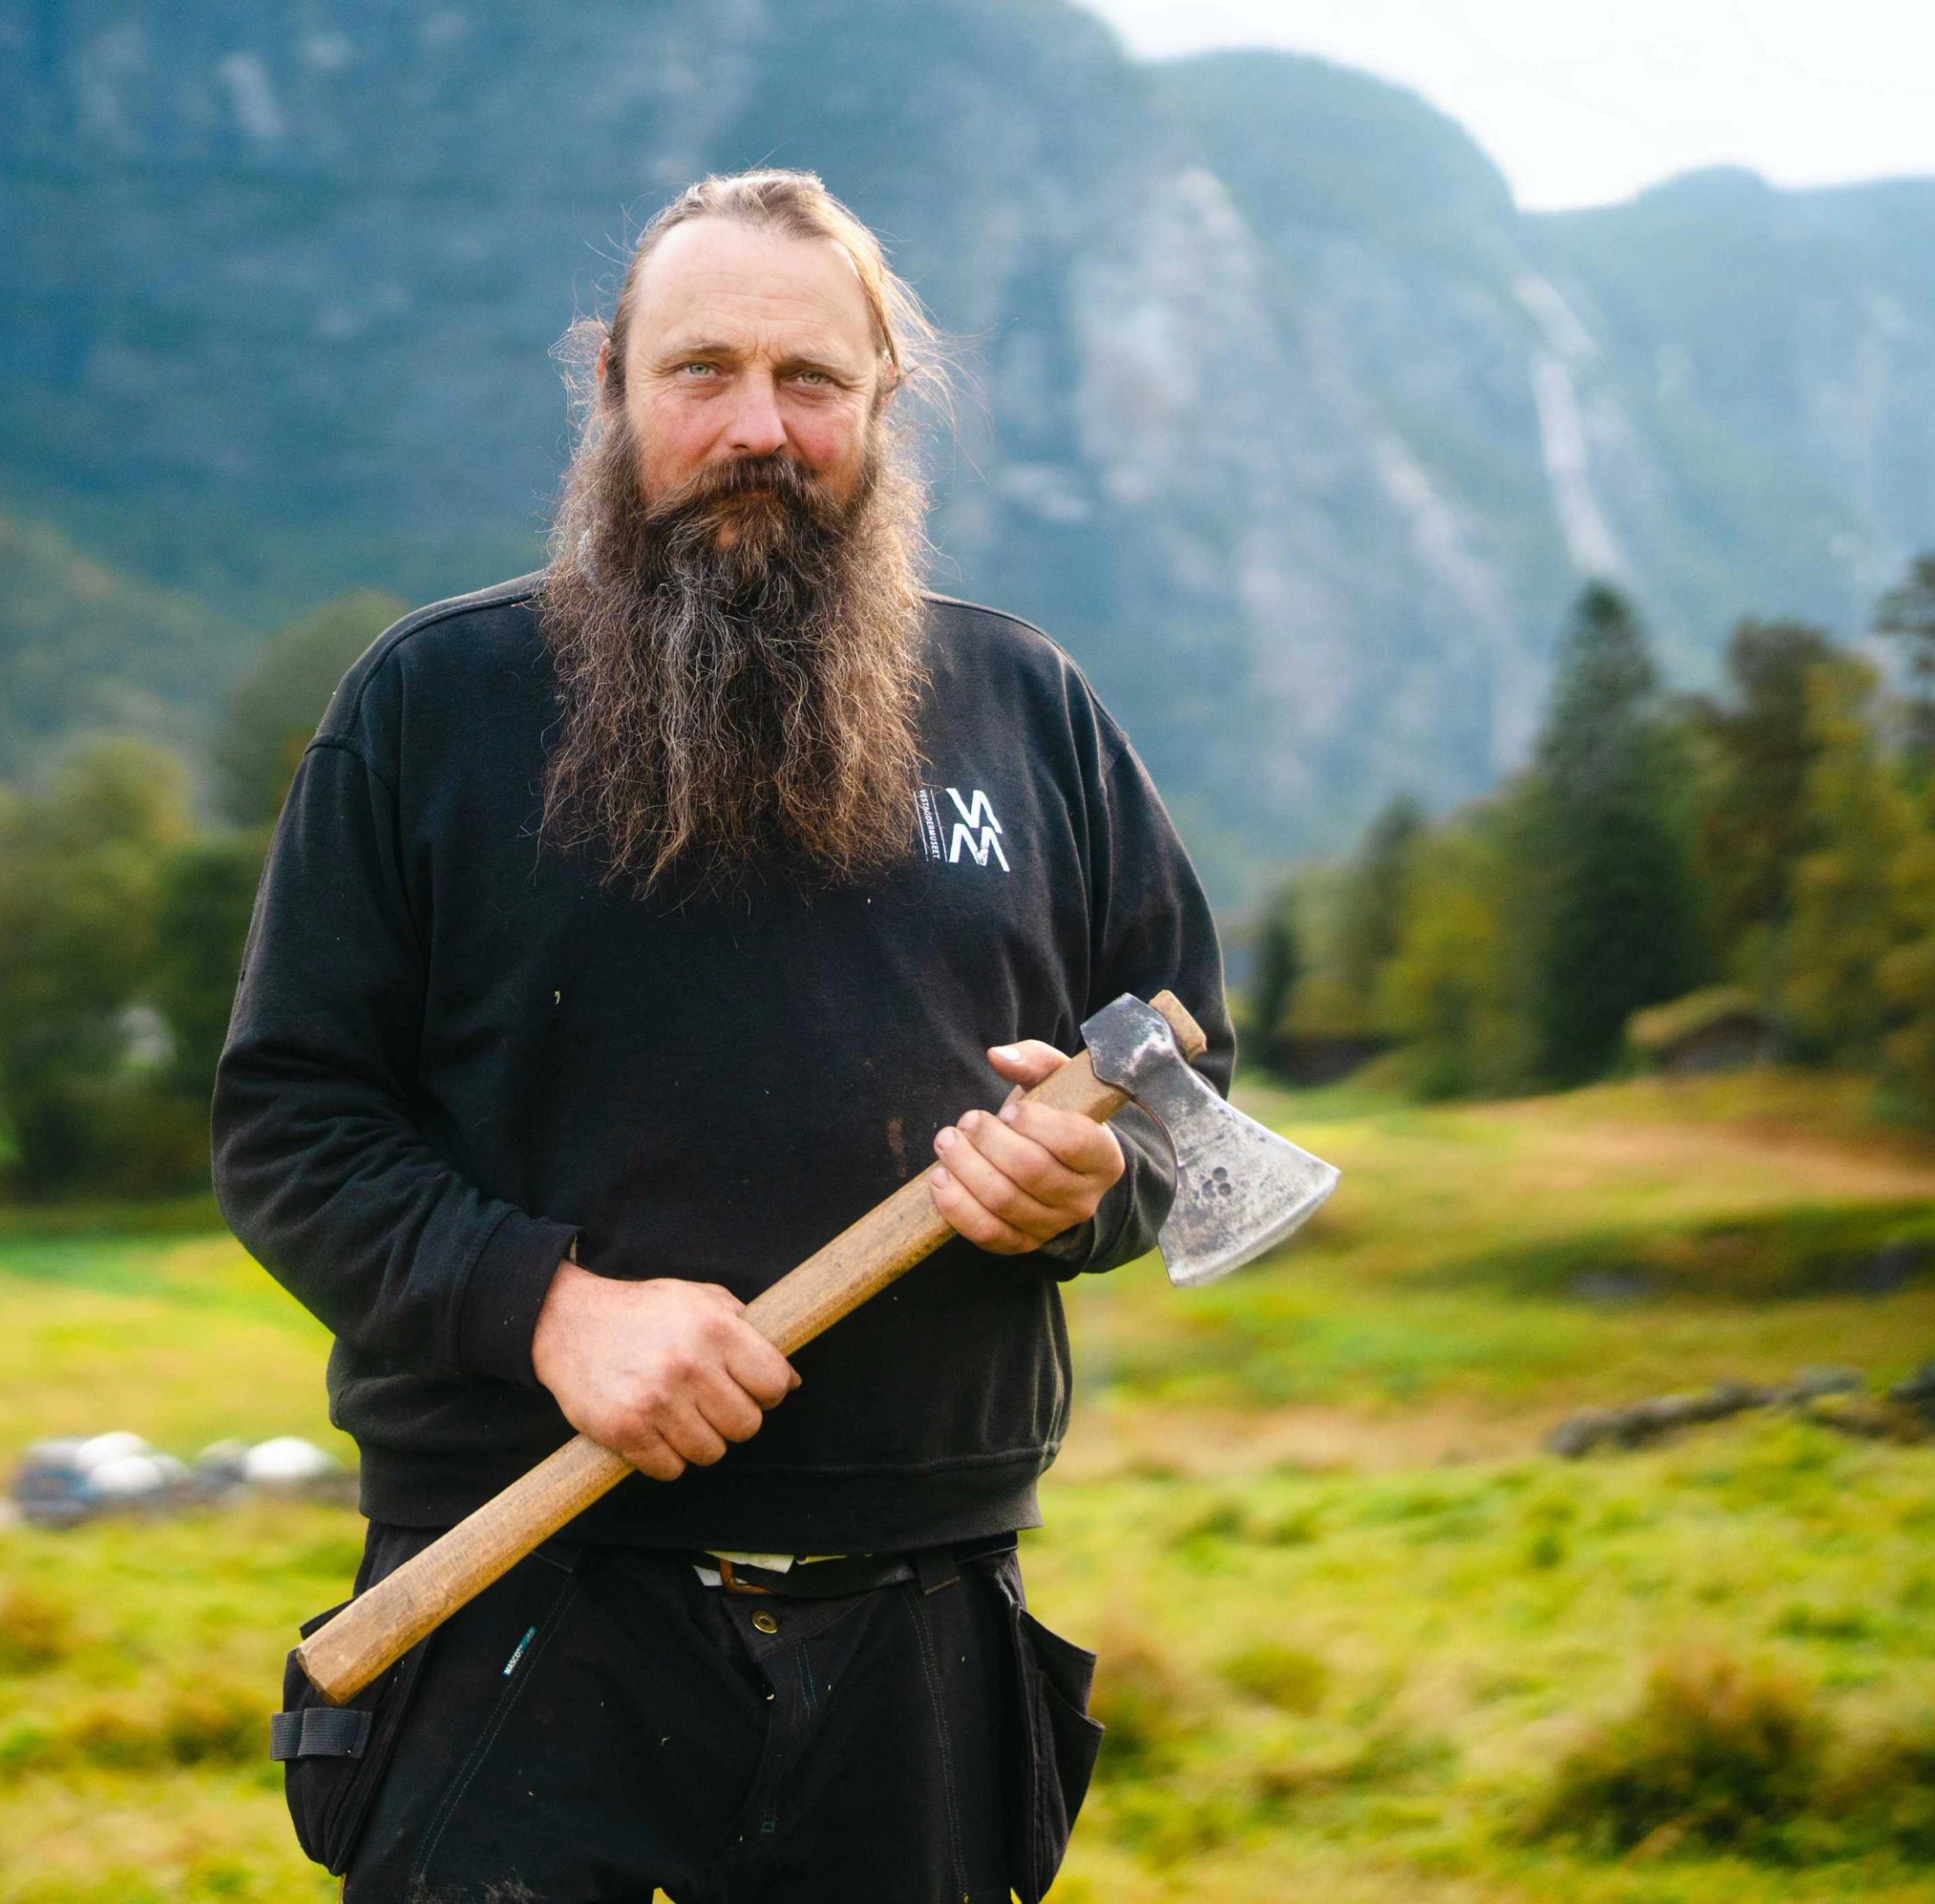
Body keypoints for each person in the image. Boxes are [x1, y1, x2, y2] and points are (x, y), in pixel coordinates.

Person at [214, 168, 1233, 1903]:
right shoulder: (432, 709)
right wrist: (548, 1308)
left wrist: (1088, 1181)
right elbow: (290, 1124)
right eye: (702, 372)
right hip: (519, 1604)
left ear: (882, 403)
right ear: (611, 384)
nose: (758, 427)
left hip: (916, 1629)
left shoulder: (1027, 708)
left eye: (811, 382)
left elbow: (1178, 1086)